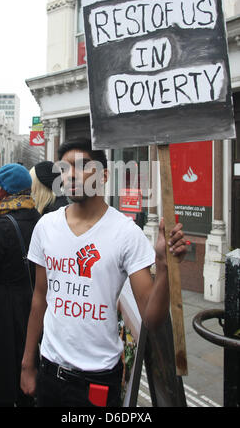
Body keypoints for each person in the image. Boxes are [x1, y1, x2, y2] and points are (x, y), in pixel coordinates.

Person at [20, 138, 187, 407]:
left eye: (82, 165)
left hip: (98, 381)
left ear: (104, 175)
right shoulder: (46, 227)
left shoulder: (126, 233)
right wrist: (28, 362)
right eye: (64, 168)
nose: (71, 174)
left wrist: (165, 268)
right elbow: (40, 299)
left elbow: (151, 319)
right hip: (49, 372)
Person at [0, 163, 41, 407]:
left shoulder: (2, 225)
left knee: (0, 375)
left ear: (7, 190)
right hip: (32, 302)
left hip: (2, 310)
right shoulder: (38, 218)